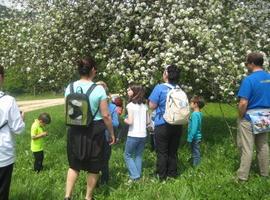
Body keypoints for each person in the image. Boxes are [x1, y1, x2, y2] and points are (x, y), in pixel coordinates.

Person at [64, 58, 115, 200]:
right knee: (94, 166)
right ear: (93, 70)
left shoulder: (70, 87)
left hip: (75, 130)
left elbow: (67, 109)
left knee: (74, 165)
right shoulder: (98, 89)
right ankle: (88, 197)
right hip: (95, 131)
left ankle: (67, 196)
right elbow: (105, 115)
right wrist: (111, 133)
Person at [237, 52, 270, 181]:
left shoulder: (249, 79)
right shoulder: (268, 77)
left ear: (252, 63)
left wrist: (241, 115)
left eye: (247, 63)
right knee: (263, 145)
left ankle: (242, 177)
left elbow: (243, 102)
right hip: (266, 116)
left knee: (247, 147)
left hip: (250, 116)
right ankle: (265, 174)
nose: (246, 66)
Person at [148, 65, 183, 180]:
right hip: (177, 124)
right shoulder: (179, 89)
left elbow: (152, 106)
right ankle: (172, 174)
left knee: (162, 152)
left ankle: (161, 175)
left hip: (162, 124)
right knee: (173, 151)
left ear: (166, 75)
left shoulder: (159, 88)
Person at [0, 65, 25, 200]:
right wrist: (21, 119)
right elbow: (19, 129)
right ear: (1, 78)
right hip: (3, 153)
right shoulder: (8, 101)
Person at [124, 84, 148, 182]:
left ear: (135, 92)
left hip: (133, 134)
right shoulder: (145, 106)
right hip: (143, 134)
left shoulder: (130, 105)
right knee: (138, 155)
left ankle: (135, 176)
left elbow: (130, 122)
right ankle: (137, 178)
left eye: (129, 90)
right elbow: (147, 122)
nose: (127, 91)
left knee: (127, 155)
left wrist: (124, 119)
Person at [96, 81, 119, 184]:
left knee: (97, 159)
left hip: (97, 137)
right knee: (103, 160)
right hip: (105, 136)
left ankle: (99, 181)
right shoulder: (112, 107)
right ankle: (103, 180)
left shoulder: (93, 106)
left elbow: (116, 123)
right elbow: (115, 124)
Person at [187, 96, 205, 167]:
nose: (189, 104)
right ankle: (196, 164)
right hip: (197, 136)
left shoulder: (194, 114)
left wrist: (190, 137)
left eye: (191, 102)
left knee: (195, 152)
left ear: (196, 104)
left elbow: (194, 128)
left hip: (194, 137)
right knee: (196, 151)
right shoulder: (199, 113)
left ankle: (196, 166)